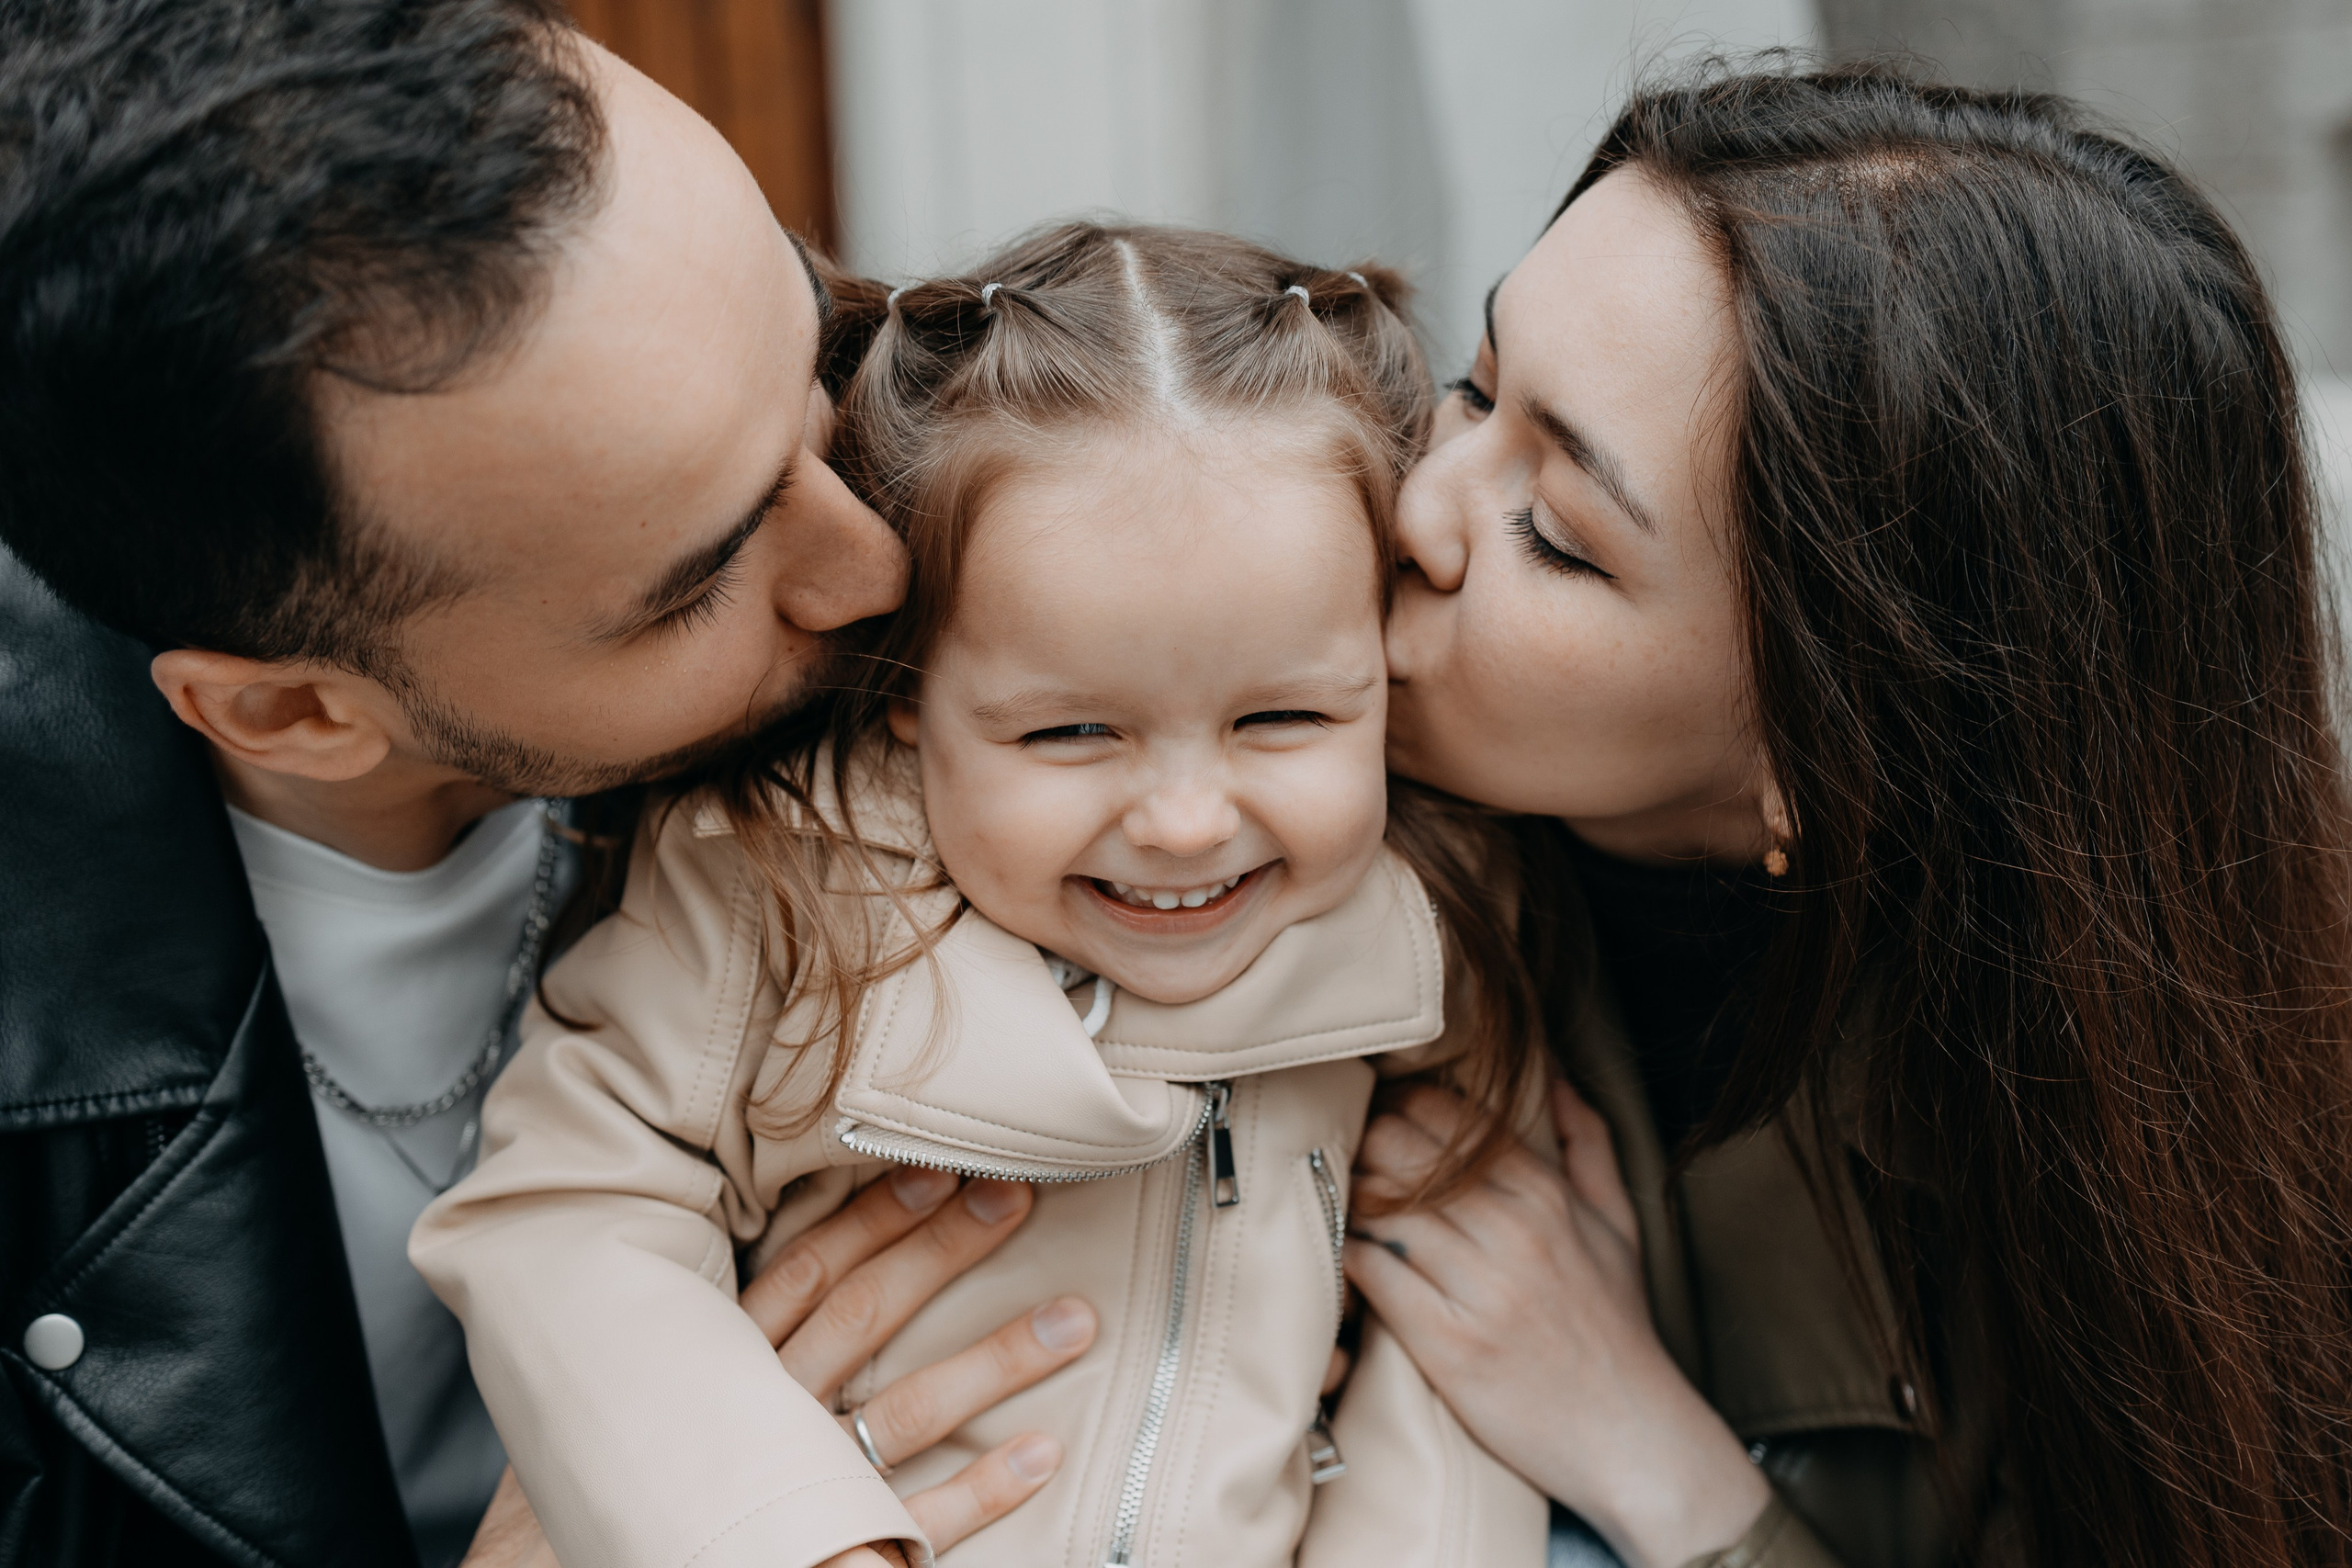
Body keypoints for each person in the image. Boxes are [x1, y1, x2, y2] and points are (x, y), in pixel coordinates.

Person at [0, 4, 1085, 1564]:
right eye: (701, 579)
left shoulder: (966, 508)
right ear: (294, 710)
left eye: (809, 339)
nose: (875, 559)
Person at [409, 223, 1553, 1568]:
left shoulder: (1428, 938)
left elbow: (1457, 1363)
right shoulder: (779, 887)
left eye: (1285, 716)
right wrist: (785, 1538)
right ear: (907, 697)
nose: (1186, 822)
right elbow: (565, 1222)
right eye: (1071, 735)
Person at [1343, 64, 2352, 1568]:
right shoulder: (1219, 792)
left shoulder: (2168, 1199)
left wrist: (1670, 1475)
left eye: (1556, 535)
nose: (1416, 501)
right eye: (1477, 383)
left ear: (1832, 750)